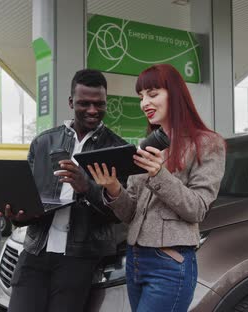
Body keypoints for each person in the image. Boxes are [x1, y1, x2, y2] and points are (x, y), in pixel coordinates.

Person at [87, 64, 226, 312]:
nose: (144, 103)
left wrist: (158, 173)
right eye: (141, 97)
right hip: (136, 260)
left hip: (170, 262)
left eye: (152, 93)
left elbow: (197, 209)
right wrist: (113, 188)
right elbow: (130, 213)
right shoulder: (146, 145)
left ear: (175, 94)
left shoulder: (207, 143)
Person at [0, 69, 128, 312]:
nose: (92, 110)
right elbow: (27, 196)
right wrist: (16, 215)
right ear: (71, 102)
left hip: (80, 257)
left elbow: (120, 213)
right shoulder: (43, 142)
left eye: (99, 104)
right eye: (84, 103)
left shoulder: (117, 148)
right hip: (36, 250)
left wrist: (86, 186)